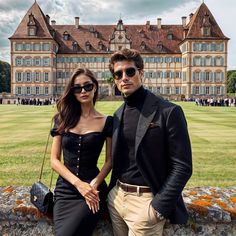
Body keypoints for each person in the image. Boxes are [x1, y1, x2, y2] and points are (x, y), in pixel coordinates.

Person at [107, 49, 192, 236]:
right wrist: (111, 194)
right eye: (118, 74)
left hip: (145, 203)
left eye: (130, 72)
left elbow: (183, 166)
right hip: (117, 199)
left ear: (141, 73)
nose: (124, 78)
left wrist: (157, 208)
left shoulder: (169, 111)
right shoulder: (118, 114)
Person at [50, 68, 112, 236]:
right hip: (66, 190)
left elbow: (109, 161)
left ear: (95, 87)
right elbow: (54, 160)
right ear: (72, 92)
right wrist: (79, 184)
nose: (83, 91)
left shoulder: (107, 121)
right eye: (77, 88)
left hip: (93, 189)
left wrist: (93, 185)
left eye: (87, 86)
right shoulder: (62, 119)